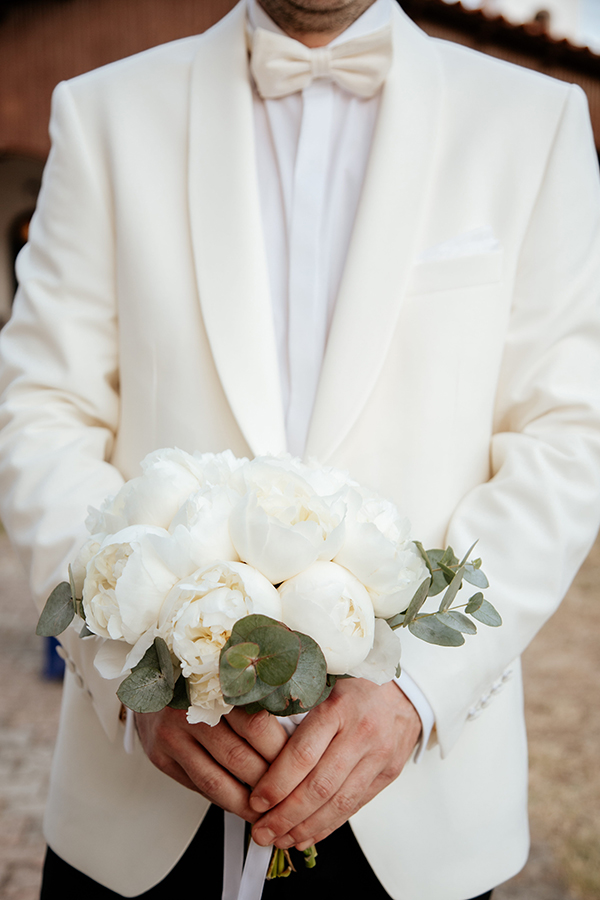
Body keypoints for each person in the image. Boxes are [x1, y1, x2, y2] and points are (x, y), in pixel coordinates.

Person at [0, 0, 600, 898]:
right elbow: (44, 408)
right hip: (142, 811)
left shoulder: (536, 123)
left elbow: (567, 435)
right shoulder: (103, 113)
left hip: (416, 812)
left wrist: (421, 690)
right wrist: (133, 678)